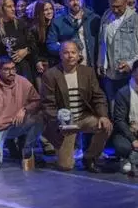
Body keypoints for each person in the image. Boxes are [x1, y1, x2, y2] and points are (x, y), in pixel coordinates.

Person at [41, 41, 112, 172]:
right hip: (64, 123)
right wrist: (58, 120)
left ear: (79, 55)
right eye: (66, 52)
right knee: (66, 166)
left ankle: (90, 157)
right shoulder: (50, 75)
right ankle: (61, 153)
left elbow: (98, 96)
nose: (70, 56)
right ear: (60, 55)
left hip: (83, 117)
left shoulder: (88, 72)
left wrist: (103, 116)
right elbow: (47, 104)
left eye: (73, 52)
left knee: (105, 126)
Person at [0, 56, 44, 168]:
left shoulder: (22, 81)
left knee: (41, 117)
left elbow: (37, 101)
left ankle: (27, 150)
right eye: (7, 69)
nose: (11, 72)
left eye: (13, 68)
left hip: (15, 125)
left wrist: (24, 109)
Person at [97, 0, 138, 103]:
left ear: (125, 2)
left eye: (119, 7)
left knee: (130, 106)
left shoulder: (137, 19)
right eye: (112, 6)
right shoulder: (106, 17)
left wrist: (131, 63)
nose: (115, 10)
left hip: (129, 75)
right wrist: (100, 63)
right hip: (109, 75)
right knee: (113, 106)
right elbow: (102, 42)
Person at [0, 0, 36, 80]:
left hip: (22, 69)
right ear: (1, 9)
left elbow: (33, 43)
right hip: (2, 70)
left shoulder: (21, 23)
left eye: (13, 5)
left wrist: (26, 51)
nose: (13, 9)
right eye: (9, 6)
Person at [46, 0, 100, 68]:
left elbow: (101, 42)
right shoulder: (58, 21)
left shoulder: (93, 18)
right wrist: (65, 49)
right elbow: (51, 44)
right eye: (71, 0)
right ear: (65, 2)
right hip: (70, 67)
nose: (75, 2)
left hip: (92, 65)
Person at [30, 0, 56, 88]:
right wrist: (37, 61)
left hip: (55, 63)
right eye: (46, 10)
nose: (49, 12)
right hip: (42, 64)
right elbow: (33, 48)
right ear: (40, 12)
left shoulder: (56, 25)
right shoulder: (34, 29)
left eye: (51, 8)